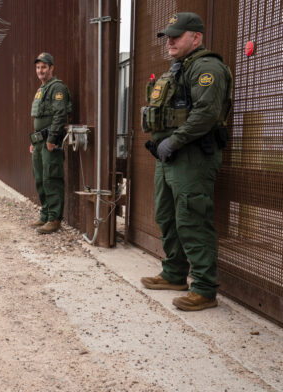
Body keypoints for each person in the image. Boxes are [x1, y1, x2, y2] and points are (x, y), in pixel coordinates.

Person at [139, 12, 232, 311]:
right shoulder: (179, 69)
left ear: (196, 37)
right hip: (170, 157)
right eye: (169, 36)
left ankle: (205, 289)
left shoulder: (208, 68)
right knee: (166, 216)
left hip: (192, 157)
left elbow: (205, 114)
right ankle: (175, 273)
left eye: (177, 35)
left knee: (192, 219)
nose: (170, 41)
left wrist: (173, 142)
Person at [29, 52, 70, 234]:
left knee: (51, 178)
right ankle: (45, 214)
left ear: (51, 68)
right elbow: (39, 117)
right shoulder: (41, 89)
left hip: (50, 141)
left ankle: (54, 219)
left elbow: (60, 115)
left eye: (44, 67)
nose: (40, 70)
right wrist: (34, 141)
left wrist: (52, 139)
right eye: (38, 67)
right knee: (39, 178)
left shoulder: (57, 88)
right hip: (39, 142)